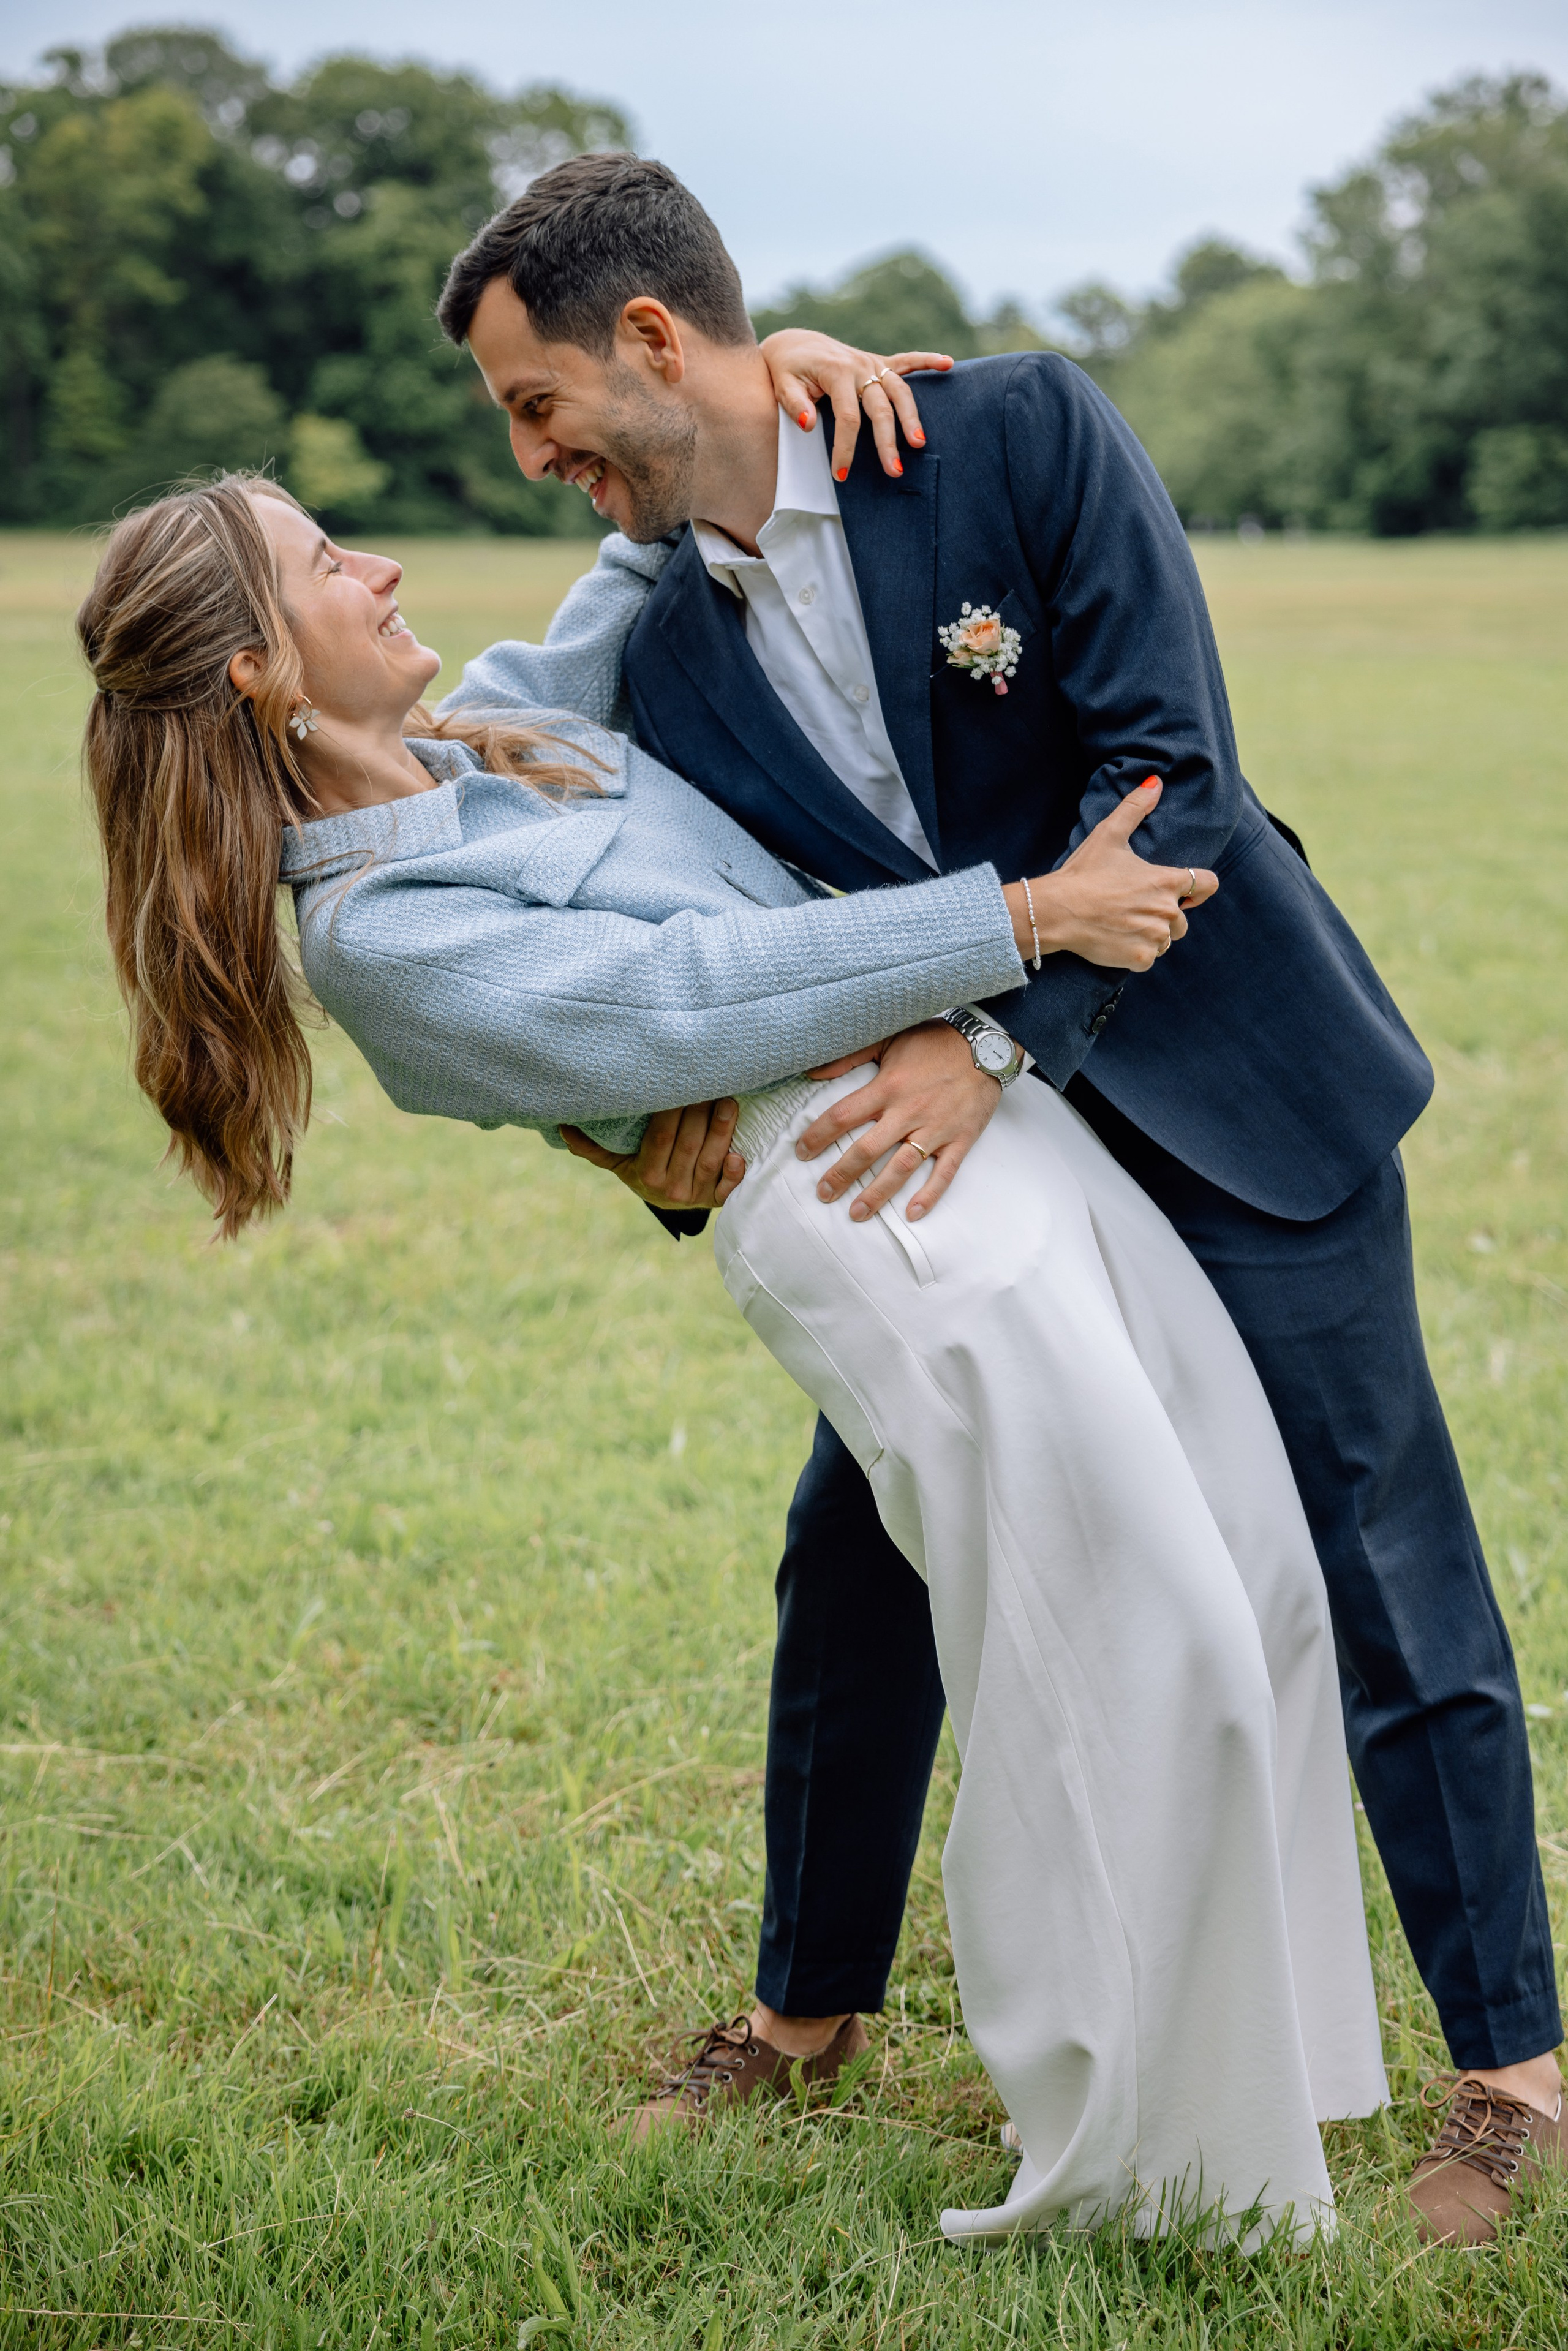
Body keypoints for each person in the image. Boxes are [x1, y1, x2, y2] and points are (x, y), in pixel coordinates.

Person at [432, 152, 1566, 2247]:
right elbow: (616, 890)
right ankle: (802, 2016)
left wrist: (995, 1036)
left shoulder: (1018, 434)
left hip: (1223, 1087)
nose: (532, 457)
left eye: (536, 404)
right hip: (984, 1189)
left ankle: (1511, 2076)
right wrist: (660, 1128)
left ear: (657, 340)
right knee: (855, 1566)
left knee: (1381, 1546)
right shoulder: (656, 655)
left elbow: (1172, 772)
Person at [77, 458, 1392, 2247]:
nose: (380, 564)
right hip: (878, 1213)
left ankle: (1276, 2078)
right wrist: (1022, 919)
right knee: (1111, 1645)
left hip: (991, 1133)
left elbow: (648, 521)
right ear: (254, 670)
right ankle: (1132, 2161)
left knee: (1243, 1576)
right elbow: (696, 997)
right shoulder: (379, 931)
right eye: (326, 560)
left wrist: (790, 391)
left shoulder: (499, 733)